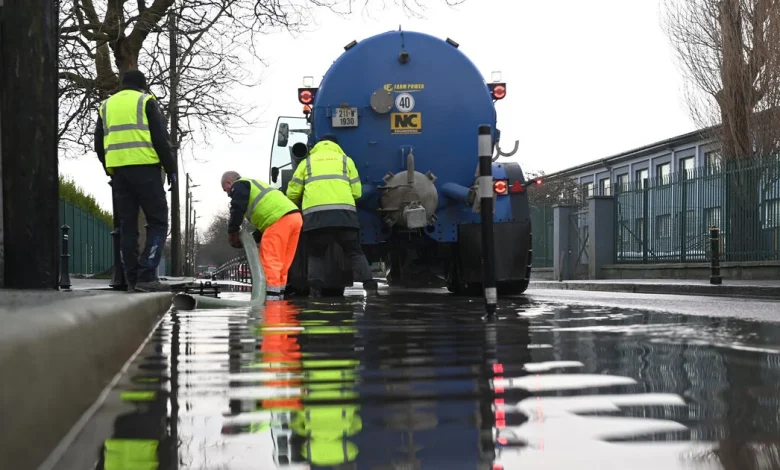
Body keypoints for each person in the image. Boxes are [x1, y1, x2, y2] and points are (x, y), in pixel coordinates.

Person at [94, 69, 177, 293]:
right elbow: (160, 139)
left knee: (127, 226)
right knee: (158, 222)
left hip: (119, 174)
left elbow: (98, 143)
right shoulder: (145, 101)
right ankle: (147, 275)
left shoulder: (106, 106)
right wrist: (171, 169)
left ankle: (131, 277)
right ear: (143, 85)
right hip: (146, 170)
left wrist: (109, 168)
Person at [285, 134, 378, 297]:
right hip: (345, 216)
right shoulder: (346, 161)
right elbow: (357, 192)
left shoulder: (306, 162)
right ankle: (370, 288)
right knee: (355, 252)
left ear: (318, 145)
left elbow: (292, 193)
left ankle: (315, 291)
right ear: (336, 145)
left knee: (316, 255)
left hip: (316, 218)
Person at [221, 171, 303, 300]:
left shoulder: (239, 185)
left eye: (225, 189)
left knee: (270, 262)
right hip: (294, 218)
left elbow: (237, 208)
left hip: (277, 221)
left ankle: (271, 303)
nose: (227, 194)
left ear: (229, 182)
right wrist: (253, 238)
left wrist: (233, 231)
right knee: (282, 265)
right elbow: (269, 214)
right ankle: (279, 299)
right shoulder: (257, 185)